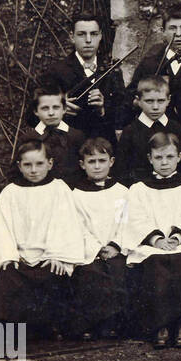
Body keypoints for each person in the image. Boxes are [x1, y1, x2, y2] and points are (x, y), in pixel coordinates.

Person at [0, 140, 87, 335]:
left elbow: (66, 223)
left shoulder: (59, 189)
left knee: (54, 273)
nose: (34, 170)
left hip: (49, 255)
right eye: (27, 165)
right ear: (19, 166)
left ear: (50, 163)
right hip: (20, 256)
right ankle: (7, 329)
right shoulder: (10, 192)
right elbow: (2, 228)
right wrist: (8, 255)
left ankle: (51, 327)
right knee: (7, 274)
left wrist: (57, 254)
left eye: (39, 164)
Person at [119, 132, 181, 348]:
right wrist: (155, 239)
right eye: (159, 158)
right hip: (150, 245)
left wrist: (176, 237)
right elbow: (136, 218)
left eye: (170, 157)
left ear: (179, 157)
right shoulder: (138, 189)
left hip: (179, 242)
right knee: (157, 263)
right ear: (150, 158)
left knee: (180, 260)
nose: (164, 163)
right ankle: (160, 326)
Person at [69, 137, 129, 340]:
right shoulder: (76, 195)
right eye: (91, 161)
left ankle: (113, 324)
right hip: (89, 252)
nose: (97, 166)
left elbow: (126, 223)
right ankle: (91, 324)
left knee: (117, 271)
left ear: (111, 162)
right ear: (82, 164)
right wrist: (96, 249)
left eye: (102, 161)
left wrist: (115, 245)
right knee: (90, 273)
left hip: (116, 249)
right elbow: (77, 226)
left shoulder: (122, 192)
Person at [37, 13, 128, 140]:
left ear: (100, 36)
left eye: (94, 34)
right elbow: (34, 116)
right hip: (70, 145)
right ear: (72, 37)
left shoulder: (112, 70)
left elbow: (124, 113)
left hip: (104, 147)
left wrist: (103, 109)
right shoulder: (56, 71)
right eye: (81, 34)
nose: (88, 40)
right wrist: (59, 106)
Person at [116, 76, 181, 185]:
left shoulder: (177, 128)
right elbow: (122, 169)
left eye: (160, 101)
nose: (155, 107)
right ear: (138, 101)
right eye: (149, 101)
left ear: (168, 100)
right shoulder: (130, 131)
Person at [19, 86, 86, 186]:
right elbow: (17, 174)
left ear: (64, 109)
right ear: (36, 111)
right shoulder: (28, 138)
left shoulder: (77, 136)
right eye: (45, 108)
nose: (51, 113)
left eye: (56, 107)